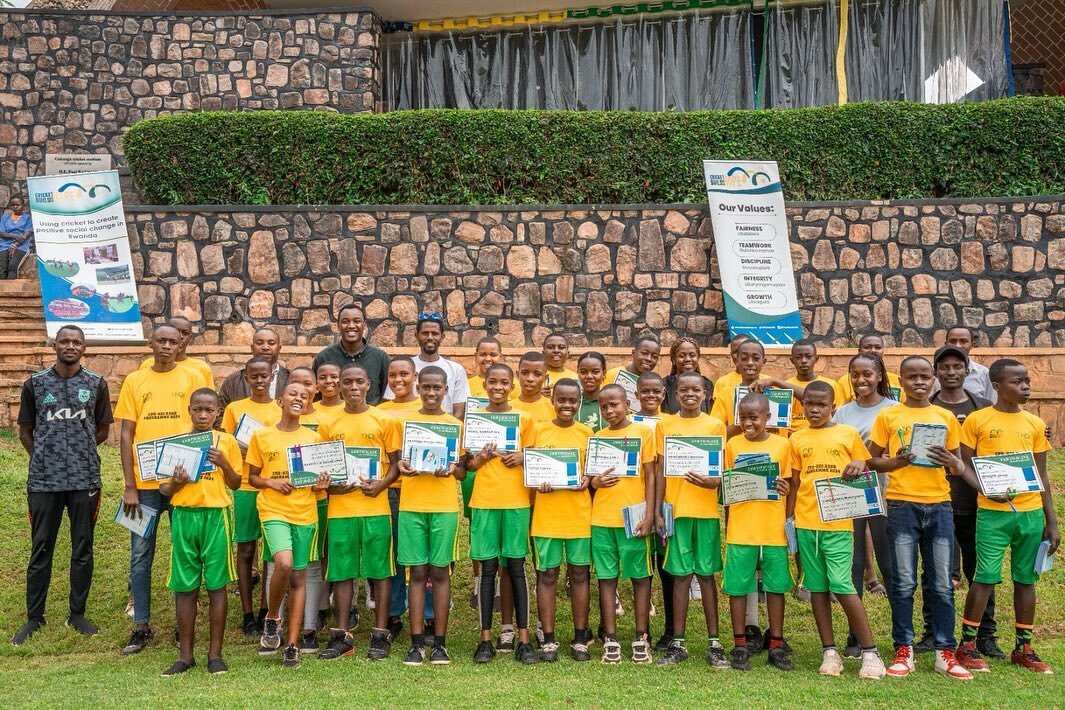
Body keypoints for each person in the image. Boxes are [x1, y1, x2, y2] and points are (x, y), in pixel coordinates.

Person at [868, 356, 972, 680]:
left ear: (933, 380)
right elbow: (872, 459)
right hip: (901, 505)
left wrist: (952, 461)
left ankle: (945, 651)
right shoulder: (889, 415)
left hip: (940, 505)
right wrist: (895, 463)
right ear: (901, 380)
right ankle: (904, 649)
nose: (919, 382)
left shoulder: (945, 417)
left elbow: (958, 465)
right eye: (911, 377)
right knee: (902, 582)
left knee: (941, 583)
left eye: (925, 376)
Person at [955, 359, 1058, 674]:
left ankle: (1024, 647)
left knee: (1026, 580)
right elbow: (965, 466)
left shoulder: (1034, 424)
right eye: (1017, 382)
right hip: (992, 513)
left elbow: (1040, 474)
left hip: (1029, 514)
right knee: (984, 577)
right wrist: (987, 491)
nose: (1025, 386)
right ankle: (968, 646)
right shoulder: (977, 420)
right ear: (997, 386)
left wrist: (1051, 522)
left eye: (1027, 381)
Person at [12, 325, 112, 645]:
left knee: (82, 548)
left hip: (85, 480)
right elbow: (26, 430)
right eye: (65, 341)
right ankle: (34, 617)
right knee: (41, 549)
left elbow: (102, 431)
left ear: (84, 348)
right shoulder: (36, 384)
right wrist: (44, 456)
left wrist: (78, 453)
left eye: (77, 342)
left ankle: (77, 614)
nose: (70, 346)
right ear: (54, 345)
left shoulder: (96, 384)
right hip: (43, 481)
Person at [115, 324, 203, 655]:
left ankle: (184, 630)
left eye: (172, 341)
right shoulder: (135, 380)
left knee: (185, 554)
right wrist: (129, 486)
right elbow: (125, 435)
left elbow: (201, 426)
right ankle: (141, 626)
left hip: (183, 483)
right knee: (140, 554)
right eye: (161, 340)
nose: (167, 345)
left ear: (181, 343)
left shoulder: (192, 376)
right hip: (143, 487)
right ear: (150, 343)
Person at [787, 381, 885, 680]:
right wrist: (788, 518)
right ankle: (829, 650)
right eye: (809, 404)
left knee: (843, 585)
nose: (814, 409)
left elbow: (863, 461)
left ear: (833, 407)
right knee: (817, 587)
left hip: (839, 524)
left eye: (821, 404)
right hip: (806, 523)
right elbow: (794, 481)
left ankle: (870, 653)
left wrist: (858, 462)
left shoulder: (847, 433)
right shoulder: (796, 438)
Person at [159, 389, 242, 677]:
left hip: (216, 516)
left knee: (217, 585)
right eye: (198, 410)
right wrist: (177, 483)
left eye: (209, 410)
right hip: (184, 516)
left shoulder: (227, 442)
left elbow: (236, 483)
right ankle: (185, 656)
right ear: (189, 410)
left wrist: (224, 464)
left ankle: (215, 655)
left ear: (218, 411)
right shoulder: (177, 443)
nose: (203, 415)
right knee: (185, 587)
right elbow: (165, 490)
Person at [386, 366, 466, 666]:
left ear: (446, 390)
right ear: (418, 388)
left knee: (440, 572)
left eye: (437, 388)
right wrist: (404, 468)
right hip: (411, 506)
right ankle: (417, 642)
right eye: (427, 387)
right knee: (417, 573)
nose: (431, 393)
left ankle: (440, 644)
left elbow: (461, 471)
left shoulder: (453, 426)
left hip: (444, 508)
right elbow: (398, 464)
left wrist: (452, 468)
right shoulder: (405, 423)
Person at [922, 345, 998, 658]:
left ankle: (985, 634)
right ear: (936, 374)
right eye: (945, 367)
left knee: (980, 571)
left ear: (968, 370)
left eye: (957, 366)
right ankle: (933, 633)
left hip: (976, 503)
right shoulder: (924, 408)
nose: (951, 372)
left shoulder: (983, 409)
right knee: (935, 572)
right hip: (935, 501)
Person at [248, 382, 331, 669]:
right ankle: (272, 617)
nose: (299, 398)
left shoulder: (315, 437)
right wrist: (270, 482)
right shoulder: (262, 435)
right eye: (293, 394)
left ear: (309, 404)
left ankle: (292, 644)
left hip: (305, 513)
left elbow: (322, 482)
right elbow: (253, 477)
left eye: (304, 396)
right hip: (273, 509)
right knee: (282, 563)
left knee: (298, 578)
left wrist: (322, 484)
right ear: (280, 400)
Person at [317, 363, 397, 661]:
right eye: (347, 382)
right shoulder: (330, 424)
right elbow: (323, 468)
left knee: (380, 570)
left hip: (375, 508)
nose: (352, 387)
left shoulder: (383, 420)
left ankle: (380, 634)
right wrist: (332, 488)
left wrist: (382, 485)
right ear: (339, 386)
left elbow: (395, 462)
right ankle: (342, 636)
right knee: (342, 572)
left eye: (358, 382)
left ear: (369, 385)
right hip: (341, 510)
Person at [653, 371, 729, 669]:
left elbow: (721, 469)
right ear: (675, 394)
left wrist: (715, 483)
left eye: (696, 390)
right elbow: (659, 470)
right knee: (681, 576)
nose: (689, 394)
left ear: (705, 395)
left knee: (707, 575)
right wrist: (658, 509)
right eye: (683, 389)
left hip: (706, 512)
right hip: (677, 511)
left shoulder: (715, 425)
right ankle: (679, 642)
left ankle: (714, 642)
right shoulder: (665, 425)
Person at [467, 364, 537, 665]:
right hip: (484, 501)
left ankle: (523, 639)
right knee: (487, 569)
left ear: (513, 385)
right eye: (492, 381)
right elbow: (467, 465)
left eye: (504, 382)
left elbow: (538, 459)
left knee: (517, 568)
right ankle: (484, 639)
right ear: (484, 384)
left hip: (516, 502)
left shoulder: (525, 418)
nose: (498, 386)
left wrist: (524, 456)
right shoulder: (474, 419)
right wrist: (480, 458)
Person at [722, 392, 794, 672]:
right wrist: (729, 523)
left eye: (753, 417)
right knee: (738, 588)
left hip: (773, 528)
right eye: (743, 417)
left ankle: (776, 644)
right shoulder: (732, 444)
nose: (748, 423)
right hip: (741, 528)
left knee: (776, 588)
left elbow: (786, 484)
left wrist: (785, 491)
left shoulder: (782, 445)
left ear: (767, 417)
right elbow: (727, 488)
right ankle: (740, 644)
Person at [834, 353, 898, 658]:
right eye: (855, 375)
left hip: (887, 495)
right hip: (852, 496)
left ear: (880, 376)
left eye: (868, 374)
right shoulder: (842, 413)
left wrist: (868, 461)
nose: (861, 380)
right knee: (855, 564)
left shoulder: (894, 410)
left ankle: (902, 638)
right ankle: (855, 638)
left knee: (890, 565)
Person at [588, 384, 656, 664]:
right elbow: (590, 480)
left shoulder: (643, 433)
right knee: (606, 578)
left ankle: (641, 637)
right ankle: (611, 639)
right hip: (601, 518)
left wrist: (650, 515)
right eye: (604, 407)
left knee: (640, 577)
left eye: (614, 404)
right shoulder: (597, 438)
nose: (609, 411)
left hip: (634, 518)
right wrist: (595, 482)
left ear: (628, 403)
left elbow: (651, 475)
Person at [530, 378, 594, 662]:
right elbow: (531, 470)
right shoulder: (539, 430)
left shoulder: (587, 432)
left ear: (579, 402)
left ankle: (580, 638)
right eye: (561, 400)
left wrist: (587, 479)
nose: (567, 405)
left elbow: (592, 471)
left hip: (579, 513)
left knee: (579, 574)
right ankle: (549, 639)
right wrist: (538, 483)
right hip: (547, 515)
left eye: (572, 401)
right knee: (547, 575)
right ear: (552, 400)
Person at [219, 356, 282, 637]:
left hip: (271, 486)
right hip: (244, 486)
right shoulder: (234, 409)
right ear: (246, 377)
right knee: (245, 550)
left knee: (271, 553)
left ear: (272, 377)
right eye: (253, 376)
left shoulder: (280, 409)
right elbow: (228, 445)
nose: (259, 381)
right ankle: (246, 613)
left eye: (264, 376)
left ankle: (266, 609)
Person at [377, 355, 421, 638]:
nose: (398, 380)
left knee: (421, 557)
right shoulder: (380, 412)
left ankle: (427, 614)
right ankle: (393, 613)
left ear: (415, 377)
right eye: (393, 376)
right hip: (391, 491)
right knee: (392, 553)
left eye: (404, 374)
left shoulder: (429, 408)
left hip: (423, 491)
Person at [387, 313, 471, 419]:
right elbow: (391, 404)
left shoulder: (456, 369)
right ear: (416, 335)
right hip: (409, 428)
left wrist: (448, 430)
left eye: (434, 333)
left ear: (442, 336)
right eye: (425, 333)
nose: (430, 337)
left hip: (444, 429)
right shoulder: (404, 367)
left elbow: (459, 411)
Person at [312, 303, 390, 404]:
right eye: (345, 322)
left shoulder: (380, 357)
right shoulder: (323, 358)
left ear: (364, 325)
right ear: (338, 326)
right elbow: (315, 396)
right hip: (334, 418)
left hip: (370, 417)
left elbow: (387, 395)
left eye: (357, 321)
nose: (351, 326)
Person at [218, 327, 289, 415]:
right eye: (259, 343)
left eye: (271, 343)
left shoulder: (290, 379)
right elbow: (219, 415)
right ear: (252, 348)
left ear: (279, 348)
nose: (265, 347)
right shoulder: (233, 381)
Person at [138, 316, 214, 389]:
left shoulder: (201, 368)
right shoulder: (148, 365)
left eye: (185, 333)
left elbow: (206, 399)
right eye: (176, 331)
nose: (181, 336)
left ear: (190, 338)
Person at [785, 338, 842, 433]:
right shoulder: (783, 388)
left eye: (808, 357)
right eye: (798, 357)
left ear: (816, 359)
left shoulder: (831, 385)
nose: (803, 361)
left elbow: (837, 415)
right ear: (792, 360)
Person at [837, 335, 904, 403]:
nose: (873, 351)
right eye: (867, 347)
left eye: (878, 347)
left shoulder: (896, 380)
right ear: (859, 351)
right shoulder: (844, 381)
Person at [604, 334, 661, 411]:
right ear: (633, 353)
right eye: (644, 353)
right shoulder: (612, 375)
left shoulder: (655, 384)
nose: (649, 359)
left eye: (654, 356)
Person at [662, 336, 713, 415]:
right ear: (673, 360)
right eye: (682, 356)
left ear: (698, 358)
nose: (688, 359)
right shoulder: (665, 385)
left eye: (692, 355)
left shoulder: (707, 384)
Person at [944, 326, 996, 403]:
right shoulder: (932, 372)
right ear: (946, 344)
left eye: (963, 341)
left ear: (972, 345)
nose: (958, 345)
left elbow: (991, 404)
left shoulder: (984, 373)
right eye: (952, 341)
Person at [511, 351, 555, 424]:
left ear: (545, 377)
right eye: (525, 373)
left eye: (537, 374)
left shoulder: (553, 407)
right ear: (518, 374)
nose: (530, 379)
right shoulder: (508, 408)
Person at [0, 196, 33, 279]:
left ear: (23, 206)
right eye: (13, 205)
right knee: (3, 268)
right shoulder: (5, 218)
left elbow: (25, 237)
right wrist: (16, 236)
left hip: (21, 246)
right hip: (4, 246)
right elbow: (1, 233)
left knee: (12, 266)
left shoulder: (28, 218)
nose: (15, 207)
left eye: (18, 205)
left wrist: (14, 245)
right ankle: (3, 291)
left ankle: (10, 290)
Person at [576, 351, 607, 431]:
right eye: (583, 372)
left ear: (604, 373)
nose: (589, 376)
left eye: (595, 372)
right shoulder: (571, 403)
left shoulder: (613, 403)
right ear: (578, 373)